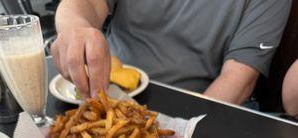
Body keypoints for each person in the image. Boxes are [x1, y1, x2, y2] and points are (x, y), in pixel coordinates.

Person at [52, 0, 291, 105]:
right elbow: (84, 4)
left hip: (194, 106)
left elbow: (239, 80)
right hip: (103, 93)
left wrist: (183, 135)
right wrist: (76, 27)